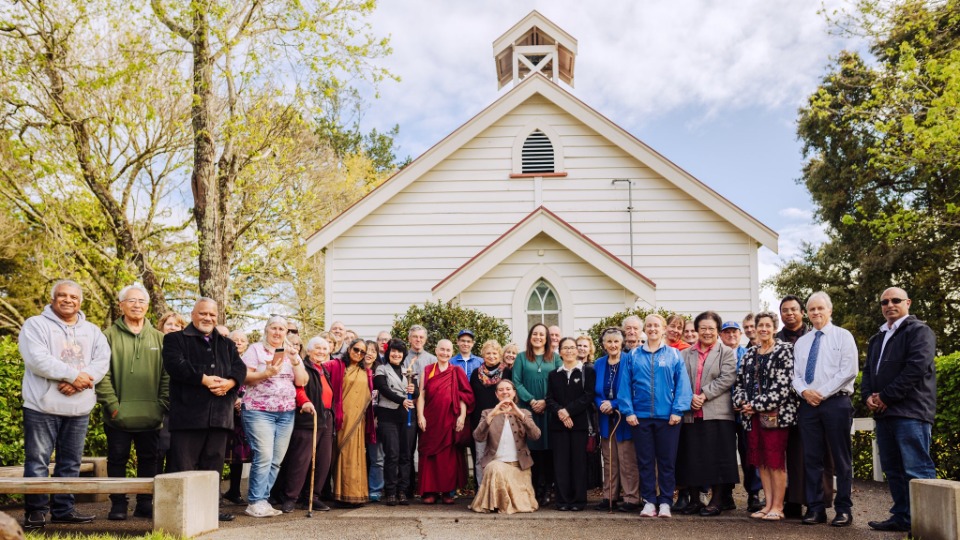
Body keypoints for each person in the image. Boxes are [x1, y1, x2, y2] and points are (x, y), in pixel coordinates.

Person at [19, 280, 110, 530]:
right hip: (41, 407)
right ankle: (36, 511)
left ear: (80, 302)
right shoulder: (35, 325)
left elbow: (102, 361)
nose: (68, 300)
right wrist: (73, 376)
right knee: (37, 461)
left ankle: (63, 509)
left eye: (73, 296)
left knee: (70, 462)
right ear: (52, 299)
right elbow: (37, 359)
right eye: (62, 295)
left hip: (79, 408)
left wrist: (79, 381)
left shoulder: (92, 331)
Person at [162, 297, 248, 522]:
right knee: (184, 466)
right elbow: (175, 365)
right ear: (193, 315)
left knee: (213, 466)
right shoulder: (175, 339)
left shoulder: (227, 344)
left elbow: (240, 368)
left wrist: (229, 383)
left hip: (219, 416)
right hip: (188, 416)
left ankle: (211, 509)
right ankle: (182, 513)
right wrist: (204, 380)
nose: (207, 318)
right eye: (203, 314)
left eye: (212, 315)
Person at [862, 287, 937, 533]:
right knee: (893, 470)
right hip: (884, 415)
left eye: (896, 300)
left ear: (908, 303)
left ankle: (930, 524)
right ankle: (903, 518)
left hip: (911, 413)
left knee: (916, 469)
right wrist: (867, 397)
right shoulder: (877, 338)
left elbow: (916, 369)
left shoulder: (920, 331)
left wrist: (886, 396)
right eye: (885, 301)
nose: (889, 304)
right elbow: (869, 373)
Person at [97, 284, 169, 521]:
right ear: (121, 305)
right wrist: (112, 405)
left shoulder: (160, 339)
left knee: (150, 460)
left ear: (147, 306)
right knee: (117, 459)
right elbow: (101, 374)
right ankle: (118, 504)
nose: (137, 305)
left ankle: (144, 503)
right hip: (118, 415)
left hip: (152, 416)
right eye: (131, 301)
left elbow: (167, 376)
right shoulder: (106, 336)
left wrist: (161, 406)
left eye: (141, 301)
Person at [791, 292, 858, 527]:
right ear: (807, 314)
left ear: (830, 310)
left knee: (841, 458)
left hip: (836, 402)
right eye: (812, 309)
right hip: (808, 405)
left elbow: (849, 370)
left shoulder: (843, 336)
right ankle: (816, 508)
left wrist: (822, 392)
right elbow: (796, 375)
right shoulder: (802, 342)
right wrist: (805, 392)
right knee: (811, 458)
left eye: (820, 308)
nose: (816, 312)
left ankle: (843, 509)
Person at [617, 314, 692, 518]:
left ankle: (666, 501)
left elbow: (682, 385)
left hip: (667, 418)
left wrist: (678, 410)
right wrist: (628, 411)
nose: (652, 329)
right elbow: (624, 386)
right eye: (648, 325)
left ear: (663, 328)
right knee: (645, 461)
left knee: (667, 462)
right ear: (644, 329)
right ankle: (649, 501)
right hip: (640, 417)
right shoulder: (633, 355)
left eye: (656, 325)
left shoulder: (674, 355)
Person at [732, 311, 800, 522]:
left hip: (775, 416)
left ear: (774, 327)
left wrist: (755, 405)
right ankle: (767, 503)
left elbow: (784, 387)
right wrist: (742, 402)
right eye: (759, 325)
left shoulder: (784, 350)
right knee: (761, 461)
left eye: (767, 325)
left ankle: (778, 506)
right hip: (751, 418)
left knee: (775, 462)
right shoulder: (750, 353)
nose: (763, 329)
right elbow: (739, 383)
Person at [240, 316, 308, 517]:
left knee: (276, 459)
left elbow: (302, 381)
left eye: (282, 329)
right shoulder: (255, 350)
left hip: (286, 412)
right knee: (264, 456)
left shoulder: (290, 352)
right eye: (274, 328)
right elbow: (244, 377)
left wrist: (295, 360)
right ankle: (255, 501)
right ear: (267, 329)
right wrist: (266, 373)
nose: (278, 332)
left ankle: (263, 499)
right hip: (258, 410)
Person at [676, 311, 739, 517]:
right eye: (702, 328)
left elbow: (727, 378)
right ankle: (695, 500)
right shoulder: (685, 354)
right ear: (696, 330)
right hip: (691, 412)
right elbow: (680, 380)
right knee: (692, 456)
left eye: (711, 328)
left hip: (717, 412)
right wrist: (690, 397)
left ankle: (717, 500)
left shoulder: (727, 352)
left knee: (717, 457)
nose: (707, 332)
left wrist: (703, 395)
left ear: (718, 331)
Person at [776, 294, 833, 518]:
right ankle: (794, 499)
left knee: (819, 455)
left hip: (817, 401)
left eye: (793, 309)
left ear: (802, 312)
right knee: (794, 455)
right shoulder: (776, 338)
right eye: (785, 310)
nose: (789, 313)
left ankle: (818, 501)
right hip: (787, 406)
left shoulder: (815, 335)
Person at [272, 336, 336, 512]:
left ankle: (313, 496)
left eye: (324, 349)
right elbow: (298, 389)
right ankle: (291, 497)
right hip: (308, 417)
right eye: (317, 348)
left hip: (326, 417)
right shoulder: (303, 366)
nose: (321, 352)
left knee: (324, 460)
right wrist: (305, 402)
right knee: (301, 460)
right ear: (308, 351)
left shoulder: (324, 369)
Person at [417, 339, 475, 504]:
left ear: (452, 352)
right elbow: (422, 395)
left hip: (450, 420)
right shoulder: (428, 370)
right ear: (436, 350)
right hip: (431, 420)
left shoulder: (456, 371)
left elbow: (464, 396)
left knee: (448, 458)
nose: (445, 353)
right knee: (430, 456)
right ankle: (430, 492)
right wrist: (420, 416)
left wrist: (462, 417)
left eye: (448, 350)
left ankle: (447, 492)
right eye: (442, 349)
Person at [471, 379, 541, 514]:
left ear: (514, 393)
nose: (505, 392)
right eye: (501, 390)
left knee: (523, 505)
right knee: (494, 467)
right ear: (496, 394)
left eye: (508, 389)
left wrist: (518, 414)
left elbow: (536, 435)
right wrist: (493, 414)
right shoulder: (487, 413)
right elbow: (478, 437)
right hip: (496, 465)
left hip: (519, 467)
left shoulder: (524, 413)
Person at [512, 323, 562, 505]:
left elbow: (559, 382)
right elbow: (516, 382)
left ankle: (549, 488)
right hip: (528, 410)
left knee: (549, 450)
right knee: (532, 450)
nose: (538, 337)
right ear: (530, 336)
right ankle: (533, 488)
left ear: (547, 338)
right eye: (535, 334)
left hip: (549, 410)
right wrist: (532, 400)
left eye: (542, 334)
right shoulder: (521, 358)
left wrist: (545, 401)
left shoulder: (555, 358)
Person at [592, 328, 640, 512]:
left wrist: (614, 403)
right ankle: (609, 497)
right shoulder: (599, 363)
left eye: (616, 342)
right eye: (609, 342)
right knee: (609, 458)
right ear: (603, 344)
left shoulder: (630, 360)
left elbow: (634, 389)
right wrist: (601, 403)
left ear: (622, 344)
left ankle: (631, 498)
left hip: (624, 416)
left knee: (627, 459)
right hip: (605, 418)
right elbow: (594, 391)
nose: (612, 345)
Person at [546, 337, 595, 511]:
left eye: (572, 347)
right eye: (565, 348)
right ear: (559, 352)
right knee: (561, 464)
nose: (569, 351)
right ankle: (563, 501)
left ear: (577, 350)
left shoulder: (587, 372)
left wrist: (569, 411)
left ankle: (578, 501)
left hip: (579, 425)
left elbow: (588, 396)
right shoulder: (554, 374)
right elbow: (549, 399)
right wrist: (560, 412)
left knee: (578, 463)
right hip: (558, 426)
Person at [720, 321, 762, 512]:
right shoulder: (718, 355)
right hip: (723, 412)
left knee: (749, 453)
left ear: (740, 334)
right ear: (721, 335)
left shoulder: (750, 354)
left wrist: (745, 402)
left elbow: (756, 382)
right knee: (725, 454)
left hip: (746, 412)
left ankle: (754, 494)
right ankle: (726, 494)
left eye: (734, 332)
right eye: (726, 332)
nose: (731, 335)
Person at [327, 338, 376, 507]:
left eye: (363, 352)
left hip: (359, 421)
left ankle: (357, 494)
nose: (359, 354)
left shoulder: (366, 372)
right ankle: (341, 495)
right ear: (349, 349)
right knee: (342, 455)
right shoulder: (337, 366)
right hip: (342, 419)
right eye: (356, 350)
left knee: (357, 456)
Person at [374, 338, 419, 506]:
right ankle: (391, 491)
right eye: (393, 351)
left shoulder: (408, 371)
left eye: (399, 352)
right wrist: (401, 400)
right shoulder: (381, 369)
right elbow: (383, 389)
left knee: (406, 455)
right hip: (388, 417)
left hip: (407, 418)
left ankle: (403, 491)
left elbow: (416, 395)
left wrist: (413, 390)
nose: (396, 354)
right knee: (392, 455)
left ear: (403, 355)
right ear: (388, 352)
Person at [469, 340, 512, 486]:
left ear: (499, 355)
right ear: (483, 355)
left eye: (494, 353)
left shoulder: (507, 372)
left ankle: (499, 491)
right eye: (488, 353)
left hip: (501, 421)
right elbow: (471, 397)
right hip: (479, 421)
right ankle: (481, 492)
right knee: (480, 458)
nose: (492, 356)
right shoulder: (476, 374)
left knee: (499, 456)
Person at [223, 330, 252, 506]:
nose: (239, 343)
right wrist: (234, 399)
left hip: (243, 414)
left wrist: (244, 399)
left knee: (239, 454)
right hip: (226, 411)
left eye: (242, 340)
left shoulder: (250, 361)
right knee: (221, 453)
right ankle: (216, 492)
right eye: (235, 340)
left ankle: (234, 490)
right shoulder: (224, 359)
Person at [155, 311, 185, 475]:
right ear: (162, 327)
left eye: (177, 325)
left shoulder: (186, 349)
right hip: (159, 407)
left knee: (176, 454)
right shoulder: (155, 347)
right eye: (169, 324)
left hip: (180, 408)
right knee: (159, 451)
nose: (173, 328)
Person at [363, 339, 384, 502]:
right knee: (357, 456)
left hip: (375, 419)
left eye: (373, 351)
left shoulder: (380, 373)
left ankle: (375, 489)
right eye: (367, 350)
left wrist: (376, 417)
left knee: (376, 457)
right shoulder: (353, 371)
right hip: (356, 419)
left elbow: (382, 398)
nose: (369, 353)